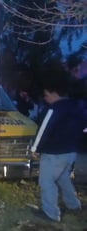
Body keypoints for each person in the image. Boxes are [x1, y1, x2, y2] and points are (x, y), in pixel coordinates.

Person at [30, 70, 87, 222]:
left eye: (46, 95)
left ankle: (51, 214)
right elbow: (84, 128)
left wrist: (35, 149)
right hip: (71, 152)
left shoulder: (53, 109)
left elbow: (44, 129)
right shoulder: (75, 108)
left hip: (54, 153)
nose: (46, 99)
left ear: (52, 93)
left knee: (46, 181)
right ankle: (74, 205)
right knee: (63, 178)